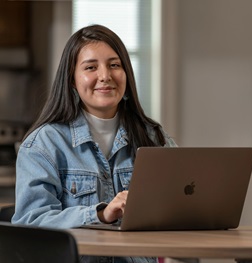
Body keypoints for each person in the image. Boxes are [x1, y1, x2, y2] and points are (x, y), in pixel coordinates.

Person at [12, 24, 180, 263]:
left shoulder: (154, 137)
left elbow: (181, 207)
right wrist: (99, 214)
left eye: (114, 65)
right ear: (72, 79)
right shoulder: (44, 144)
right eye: (91, 67)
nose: (105, 76)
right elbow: (30, 223)